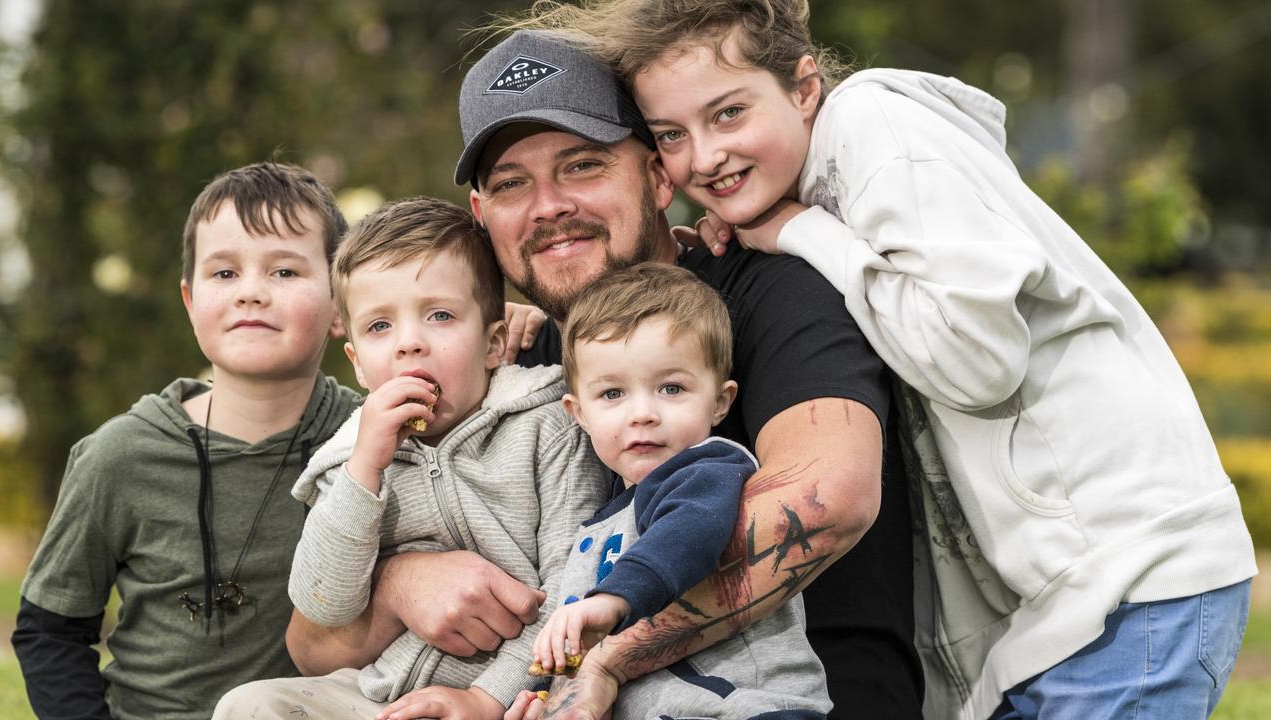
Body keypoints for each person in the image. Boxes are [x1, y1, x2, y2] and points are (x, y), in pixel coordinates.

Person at [515, 1, 1258, 718]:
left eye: (729, 112)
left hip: (1131, 574)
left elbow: (978, 359)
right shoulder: (798, 191)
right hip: (1062, 608)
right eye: (672, 134)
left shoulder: (874, 123)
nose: (706, 156)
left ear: (805, 88)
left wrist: (805, 231)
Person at [280, 29, 922, 720]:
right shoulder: (510, 368)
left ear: (656, 174)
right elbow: (312, 643)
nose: (548, 204)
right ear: (481, 216)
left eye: (582, 166)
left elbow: (833, 501)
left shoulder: (771, 294)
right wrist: (400, 582)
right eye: (511, 184)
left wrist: (611, 649)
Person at [212, 196, 611, 720]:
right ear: (355, 362)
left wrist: (486, 698)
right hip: (382, 692)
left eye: (440, 316)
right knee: (250, 706)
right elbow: (323, 604)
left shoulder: (548, 428)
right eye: (379, 327)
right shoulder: (348, 460)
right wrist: (364, 470)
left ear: (494, 343)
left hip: (518, 692)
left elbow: (573, 589)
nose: (409, 344)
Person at [11, 161, 361, 720]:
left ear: (342, 305)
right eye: (224, 273)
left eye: (285, 272)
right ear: (190, 301)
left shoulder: (375, 437)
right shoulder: (118, 458)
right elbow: (50, 633)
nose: (251, 293)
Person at [512, 262, 832, 719]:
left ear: (720, 401)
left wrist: (611, 601)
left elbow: (689, 534)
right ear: (577, 412)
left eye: (671, 387)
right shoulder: (598, 524)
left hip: (750, 708)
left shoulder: (711, 470)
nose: (642, 412)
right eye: (612, 394)